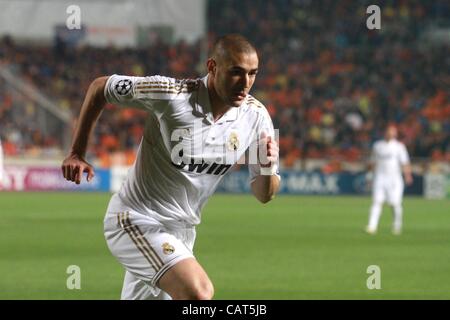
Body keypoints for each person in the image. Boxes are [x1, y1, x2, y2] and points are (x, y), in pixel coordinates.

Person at [61, 34, 280, 300]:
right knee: (198, 293)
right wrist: (76, 152)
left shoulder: (256, 117)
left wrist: (267, 169)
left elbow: (263, 194)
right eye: (236, 72)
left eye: (252, 74)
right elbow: (99, 87)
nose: (245, 83)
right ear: (212, 67)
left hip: (182, 234)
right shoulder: (171, 95)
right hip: (135, 219)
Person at [365, 124, 413, 235]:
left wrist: (407, 175)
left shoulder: (399, 147)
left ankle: (397, 225)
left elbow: (405, 162)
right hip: (380, 177)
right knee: (377, 201)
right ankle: (372, 226)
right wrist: (369, 176)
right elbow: (373, 163)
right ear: (385, 133)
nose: (391, 133)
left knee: (394, 203)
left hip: (395, 179)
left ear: (395, 133)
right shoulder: (377, 146)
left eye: (393, 131)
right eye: (389, 131)